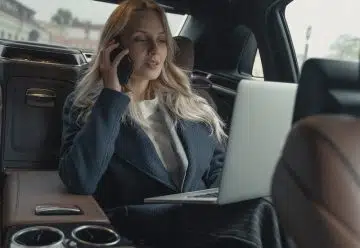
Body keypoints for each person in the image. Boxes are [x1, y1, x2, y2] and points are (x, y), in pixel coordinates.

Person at [58, 0, 288, 247]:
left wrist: (221, 197)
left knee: (270, 206)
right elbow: (81, 179)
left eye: (161, 39)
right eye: (140, 39)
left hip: (203, 221)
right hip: (142, 226)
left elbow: (220, 166)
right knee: (262, 213)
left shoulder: (192, 103)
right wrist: (112, 96)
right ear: (114, 47)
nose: (154, 49)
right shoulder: (88, 106)